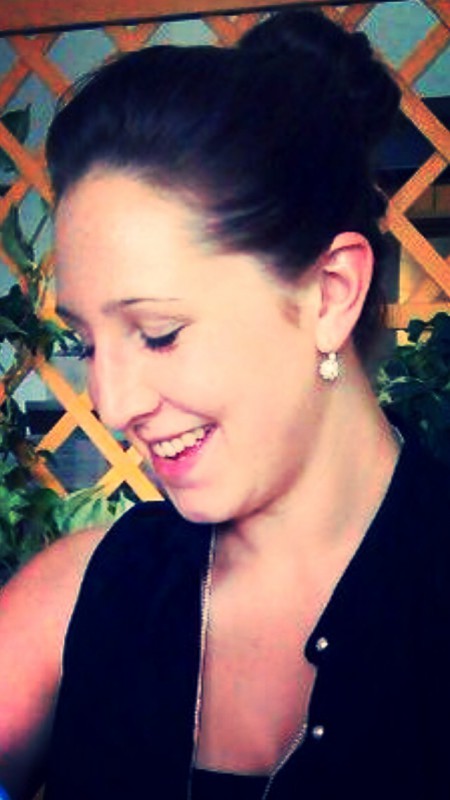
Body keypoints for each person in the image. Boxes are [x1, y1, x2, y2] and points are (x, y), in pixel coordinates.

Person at [1, 8, 449, 800]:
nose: (112, 404)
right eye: (86, 342)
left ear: (329, 294)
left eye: (159, 333)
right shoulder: (71, 599)